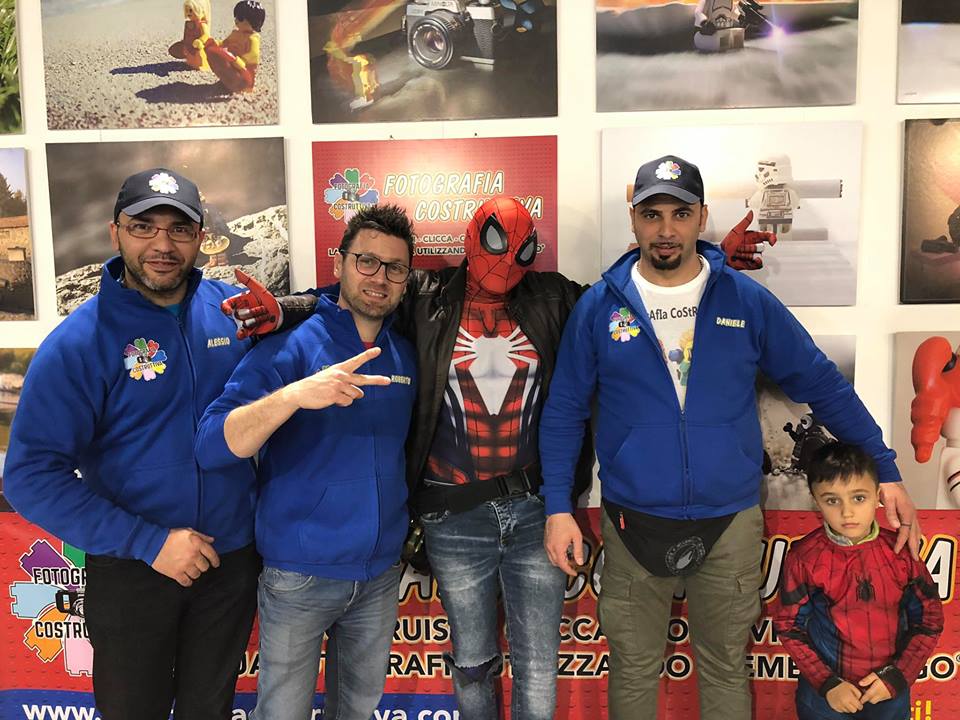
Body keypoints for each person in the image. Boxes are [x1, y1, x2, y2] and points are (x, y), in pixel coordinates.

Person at [224, 195, 777, 720]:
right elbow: (357, 292)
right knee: (471, 662)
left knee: (538, 663)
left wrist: (708, 263)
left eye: (521, 248)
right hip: (452, 509)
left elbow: (626, 293)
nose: (506, 259)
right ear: (471, 237)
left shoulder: (554, 298)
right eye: (495, 241)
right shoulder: (423, 294)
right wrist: (288, 308)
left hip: (534, 507)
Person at [538, 155, 922, 720]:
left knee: (724, 668)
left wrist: (885, 467)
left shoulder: (744, 300)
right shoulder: (599, 307)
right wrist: (557, 507)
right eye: (652, 214)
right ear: (633, 218)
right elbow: (564, 411)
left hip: (729, 522)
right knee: (634, 670)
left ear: (701, 217)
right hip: (631, 521)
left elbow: (821, 383)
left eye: (680, 214)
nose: (666, 229)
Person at [3, 168, 260, 720]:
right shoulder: (78, 343)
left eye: (179, 229)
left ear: (200, 238)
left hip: (230, 563)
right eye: (144, 227)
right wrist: (148, 542)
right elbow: (29, 477)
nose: (163, 245)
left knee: (210, 710)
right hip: (133, 568)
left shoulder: (235, 315)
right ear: (114, 232)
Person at [194, 204, 418, 720]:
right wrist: (294, 395)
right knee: (282, 713)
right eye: (366, 261)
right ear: (339, 263)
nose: (379, 277)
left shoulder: (405, 352)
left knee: (357, 711)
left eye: (394, 268)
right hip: (300, 574)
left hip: (379, 575)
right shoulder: (289, 344)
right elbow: (212, 444)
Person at [773, 442, 943, 719]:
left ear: (877, 496)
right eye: (832, 500)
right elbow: (788, 625)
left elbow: (929, 619)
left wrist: (898, 675)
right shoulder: (804, 557)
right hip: (825, 697)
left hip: (889, 692)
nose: (847, 512)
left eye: (858, 498)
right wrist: (826, 683)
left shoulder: (900, 552)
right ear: (816, 501)